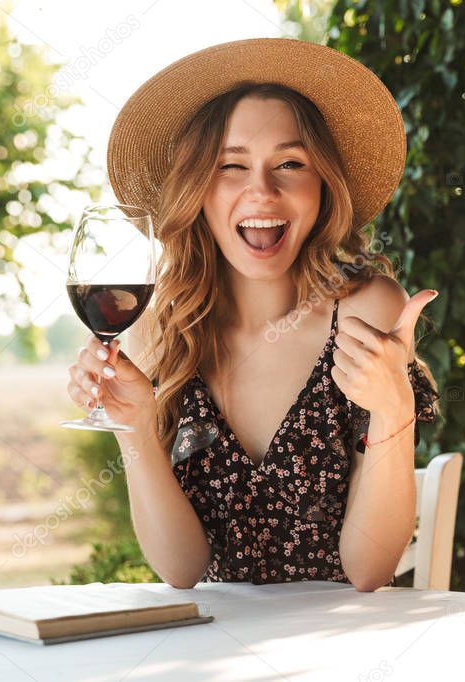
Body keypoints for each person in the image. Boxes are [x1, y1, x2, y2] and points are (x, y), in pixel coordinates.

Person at [66, 38, 440, 591]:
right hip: (210, 654)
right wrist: (135, 430)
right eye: (230, 166)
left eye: (291, 163)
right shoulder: (158, 330)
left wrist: (394, 412)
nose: (261, 190)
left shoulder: (367, 312)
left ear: (323, 186)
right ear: (197, 189)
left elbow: (370, 571)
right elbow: (182, 569)